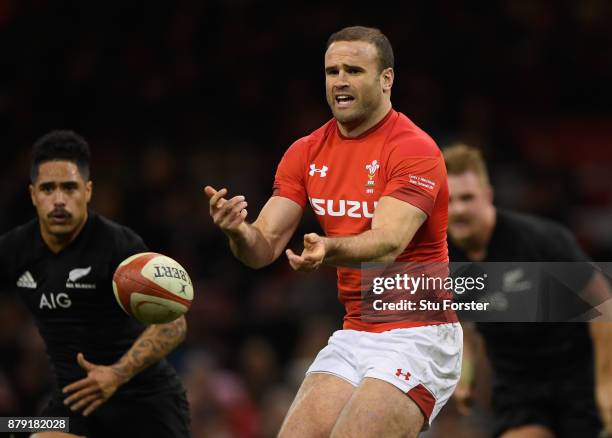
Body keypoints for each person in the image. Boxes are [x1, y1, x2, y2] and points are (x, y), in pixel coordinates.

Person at [205, 26, 462, 437]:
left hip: (419, 333)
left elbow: (388, 243)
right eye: (332, 71)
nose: (340, 80)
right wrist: (238, 232)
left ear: (386, 79)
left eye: (354, 70)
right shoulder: (305, 151)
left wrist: (328, 248)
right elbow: (262, 248)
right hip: (356, 331)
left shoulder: (414, 149)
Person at [0, 131, 191, 438]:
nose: (59, 199)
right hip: (75, 403)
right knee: (16, 428)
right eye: (48, 188)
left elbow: (174, 325)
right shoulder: (15, 249)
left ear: (87, 191)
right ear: (33, 194)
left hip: (146, 402)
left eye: (70, 187)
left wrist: (117, 373)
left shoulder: (119, 244)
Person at [444, 143, 612, 438]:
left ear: (487, 196)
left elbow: (605, 307)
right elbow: (464, 324)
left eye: (467, 198)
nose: (458, 210)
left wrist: (606, 385)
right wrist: (464, 374)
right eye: (448, 200)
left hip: (579, 377)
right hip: (519, 389)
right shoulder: (444, 259)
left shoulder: (542, 241)